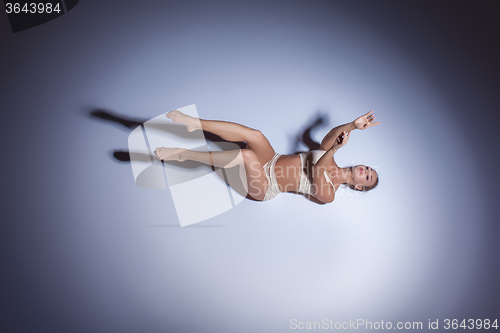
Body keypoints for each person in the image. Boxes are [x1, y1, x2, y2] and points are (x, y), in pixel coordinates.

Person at [155, 110, 380, 203]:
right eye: (369, 168)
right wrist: (352, 125)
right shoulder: (332, 157)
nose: (366, 171)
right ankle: (196, 124)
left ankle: (185, 155)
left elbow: (317, 171)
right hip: (271, 160)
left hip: (265, 186)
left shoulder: (329, 194)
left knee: (246, 155)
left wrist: (334, 150)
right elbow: (330, 137)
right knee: (255, 135)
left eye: (368, 177)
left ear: (358, 187)